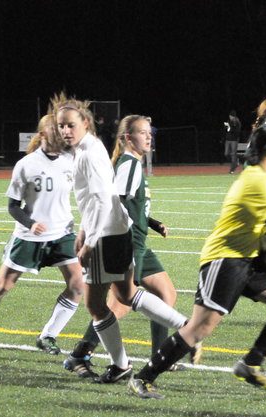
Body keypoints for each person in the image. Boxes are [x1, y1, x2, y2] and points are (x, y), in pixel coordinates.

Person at [129, 125, 266, 399]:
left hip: (248, 259)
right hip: (224, 259)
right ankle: (143, 378)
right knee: (200, 328)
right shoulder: (256, 181)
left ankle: (251, 364)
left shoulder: (264, 178)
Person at [53, 94, 187, 384]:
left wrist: (91, 238)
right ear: (128, 137)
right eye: (61, 126)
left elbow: (109, 201)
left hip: (119, 236)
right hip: (122, 237)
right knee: (120, 301)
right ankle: (178, 338)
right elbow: (112, 200)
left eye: (69, 125)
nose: (64, 130)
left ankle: (167, 347)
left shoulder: (94, 153)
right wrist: (87, 234)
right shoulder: (106, 156)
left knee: (130, 299)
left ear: (84, 122)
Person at [0, 114, 84, 355]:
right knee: (1, 287)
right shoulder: (26, 164)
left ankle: (47, 336)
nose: (62, 134)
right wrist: (30, 223)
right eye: (56, 130)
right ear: (43, 135)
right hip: (29, 237)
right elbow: (13, 206)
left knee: (77, 285)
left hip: (63, 234)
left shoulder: (70, 160)